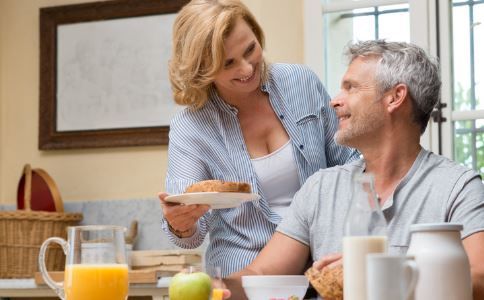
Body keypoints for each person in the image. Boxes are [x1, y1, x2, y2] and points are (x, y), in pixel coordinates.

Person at [225, 40, 484, 299]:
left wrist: (378, 275)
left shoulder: (458, 188)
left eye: (351, 88)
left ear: (395, 97)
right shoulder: (321, 188)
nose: (334, 102)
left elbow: (478, 279)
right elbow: (260, 275)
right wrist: (209, 284)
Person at [159, 0, 359, 277]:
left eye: (250, 49)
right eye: (228, 63)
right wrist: (180, 224)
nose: (246, 69)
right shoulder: (190, 127)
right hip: (243, 278)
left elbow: (349, 163)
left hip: (323, 268)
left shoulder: (299, 81)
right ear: (202, 70)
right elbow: (189, 237)